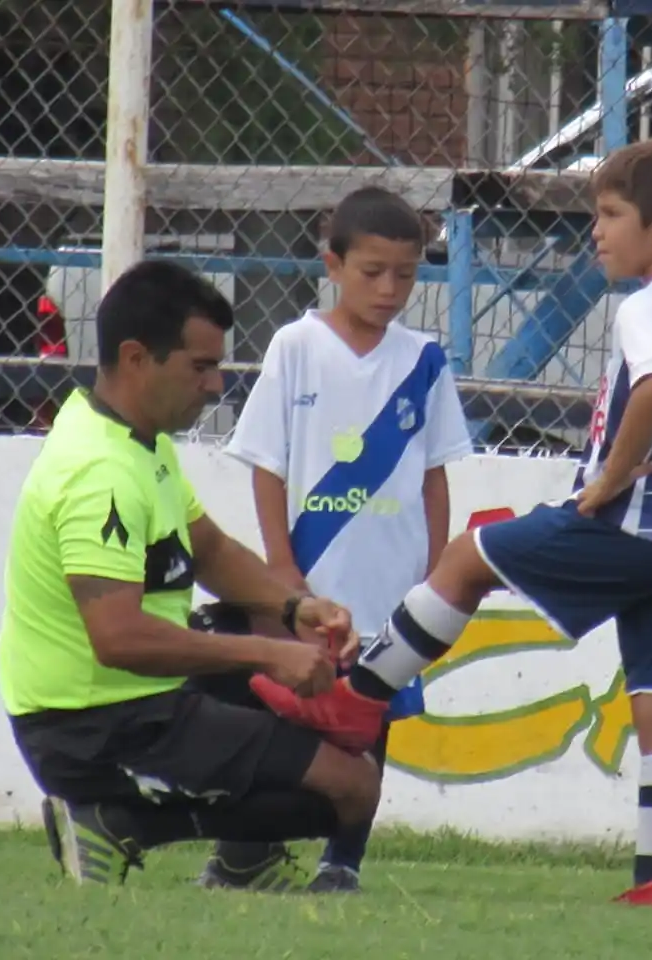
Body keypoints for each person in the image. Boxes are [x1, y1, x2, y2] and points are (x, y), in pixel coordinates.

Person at [249, 134, 652, 909]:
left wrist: (612, 476)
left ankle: (357, 696)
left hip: (631, 524)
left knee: (468, 557)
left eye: (610, 215)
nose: (597, 232)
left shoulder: (651, 304)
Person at [0, 259, 382, 887]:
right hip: (92, 726)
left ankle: (239, 861)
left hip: (127, 705)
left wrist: (292, 609)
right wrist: (265, 653)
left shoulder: (133, 439)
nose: (215, 385)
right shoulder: (101, 474)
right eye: (200, 367)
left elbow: (208, 549)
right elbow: (118, 639)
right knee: (353, 790)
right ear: (136, 358)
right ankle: (115, 821)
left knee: (259, 633)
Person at [194, 186, 474, 894]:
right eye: (372, 271)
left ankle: (342, 862)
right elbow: (266, 461)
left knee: (371, 716)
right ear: (333, 265)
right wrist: (282, 568)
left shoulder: (425, 359)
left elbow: (435, 471)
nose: (389, 289)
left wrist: (435, 569)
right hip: (314, 580)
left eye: (406, 274)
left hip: (393, 577)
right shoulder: (296, 346)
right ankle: (244, 851)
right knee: (284, 719)